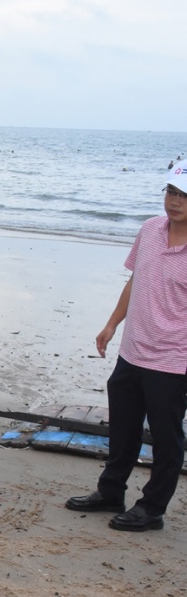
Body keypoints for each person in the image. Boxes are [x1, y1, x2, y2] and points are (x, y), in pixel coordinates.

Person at [65, 161, 187, 532]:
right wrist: (111, 324)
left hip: (173, 358)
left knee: (166, 437)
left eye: (183, 195)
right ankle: (110, 492)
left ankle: (152, 509)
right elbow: (136, 280)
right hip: (133, 349)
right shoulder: (150, 229)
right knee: (123, 427)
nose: (175, 201)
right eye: (171, 192)